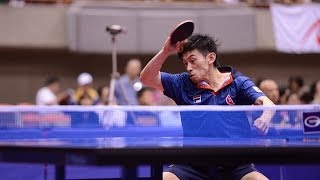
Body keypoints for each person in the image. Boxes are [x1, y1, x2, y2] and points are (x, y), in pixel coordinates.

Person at [140, 33, 274, 179]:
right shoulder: (182, 84)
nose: (188, 68)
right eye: (185, 64)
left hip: (235, 165)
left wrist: (266, 116)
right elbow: (146, 78)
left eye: (192, 61)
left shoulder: (238, 82)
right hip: (193, 166)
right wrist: (165, 52)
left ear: (211, 58)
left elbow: (267, 103)